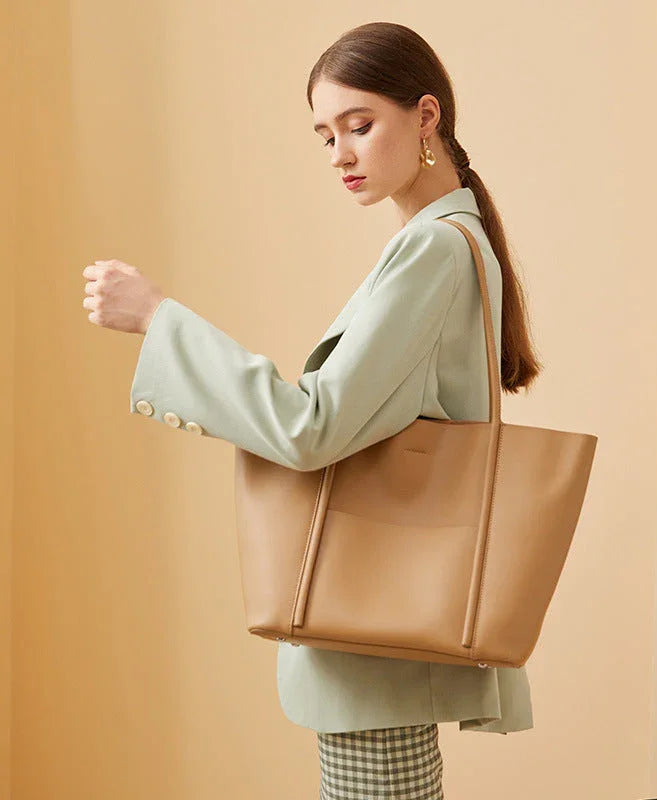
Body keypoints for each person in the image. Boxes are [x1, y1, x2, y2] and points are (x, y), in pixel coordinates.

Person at [82, 20, 543, 800]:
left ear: (426, 117)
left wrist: (160, 321)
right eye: (325, 135)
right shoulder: (445, 239)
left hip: (374, 637)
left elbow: (313, 428)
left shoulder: (434, 248)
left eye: (359, 126)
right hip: (385, 628)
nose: (340, 155)